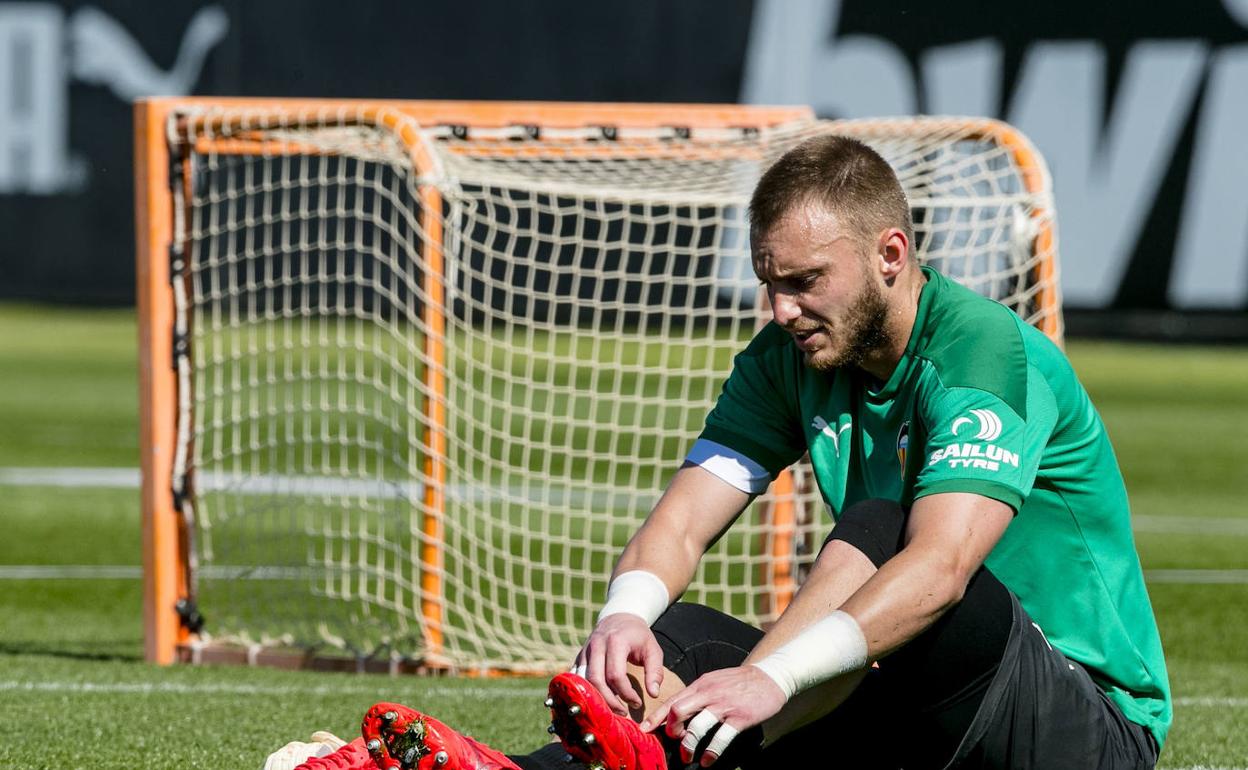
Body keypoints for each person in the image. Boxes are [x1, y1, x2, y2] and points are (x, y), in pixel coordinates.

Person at [272, 135, 1171, 770]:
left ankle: (656, 753)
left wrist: (767, 682)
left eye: (806, 281)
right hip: (915, 716)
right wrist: (624, 616)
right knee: (680, 635)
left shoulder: (982, 351)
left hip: (1077, 726)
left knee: (881, 524)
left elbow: (937, 572)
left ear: (890, 253)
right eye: (769, 281)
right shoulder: (786, 358)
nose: (781, 308)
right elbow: (686, 514)